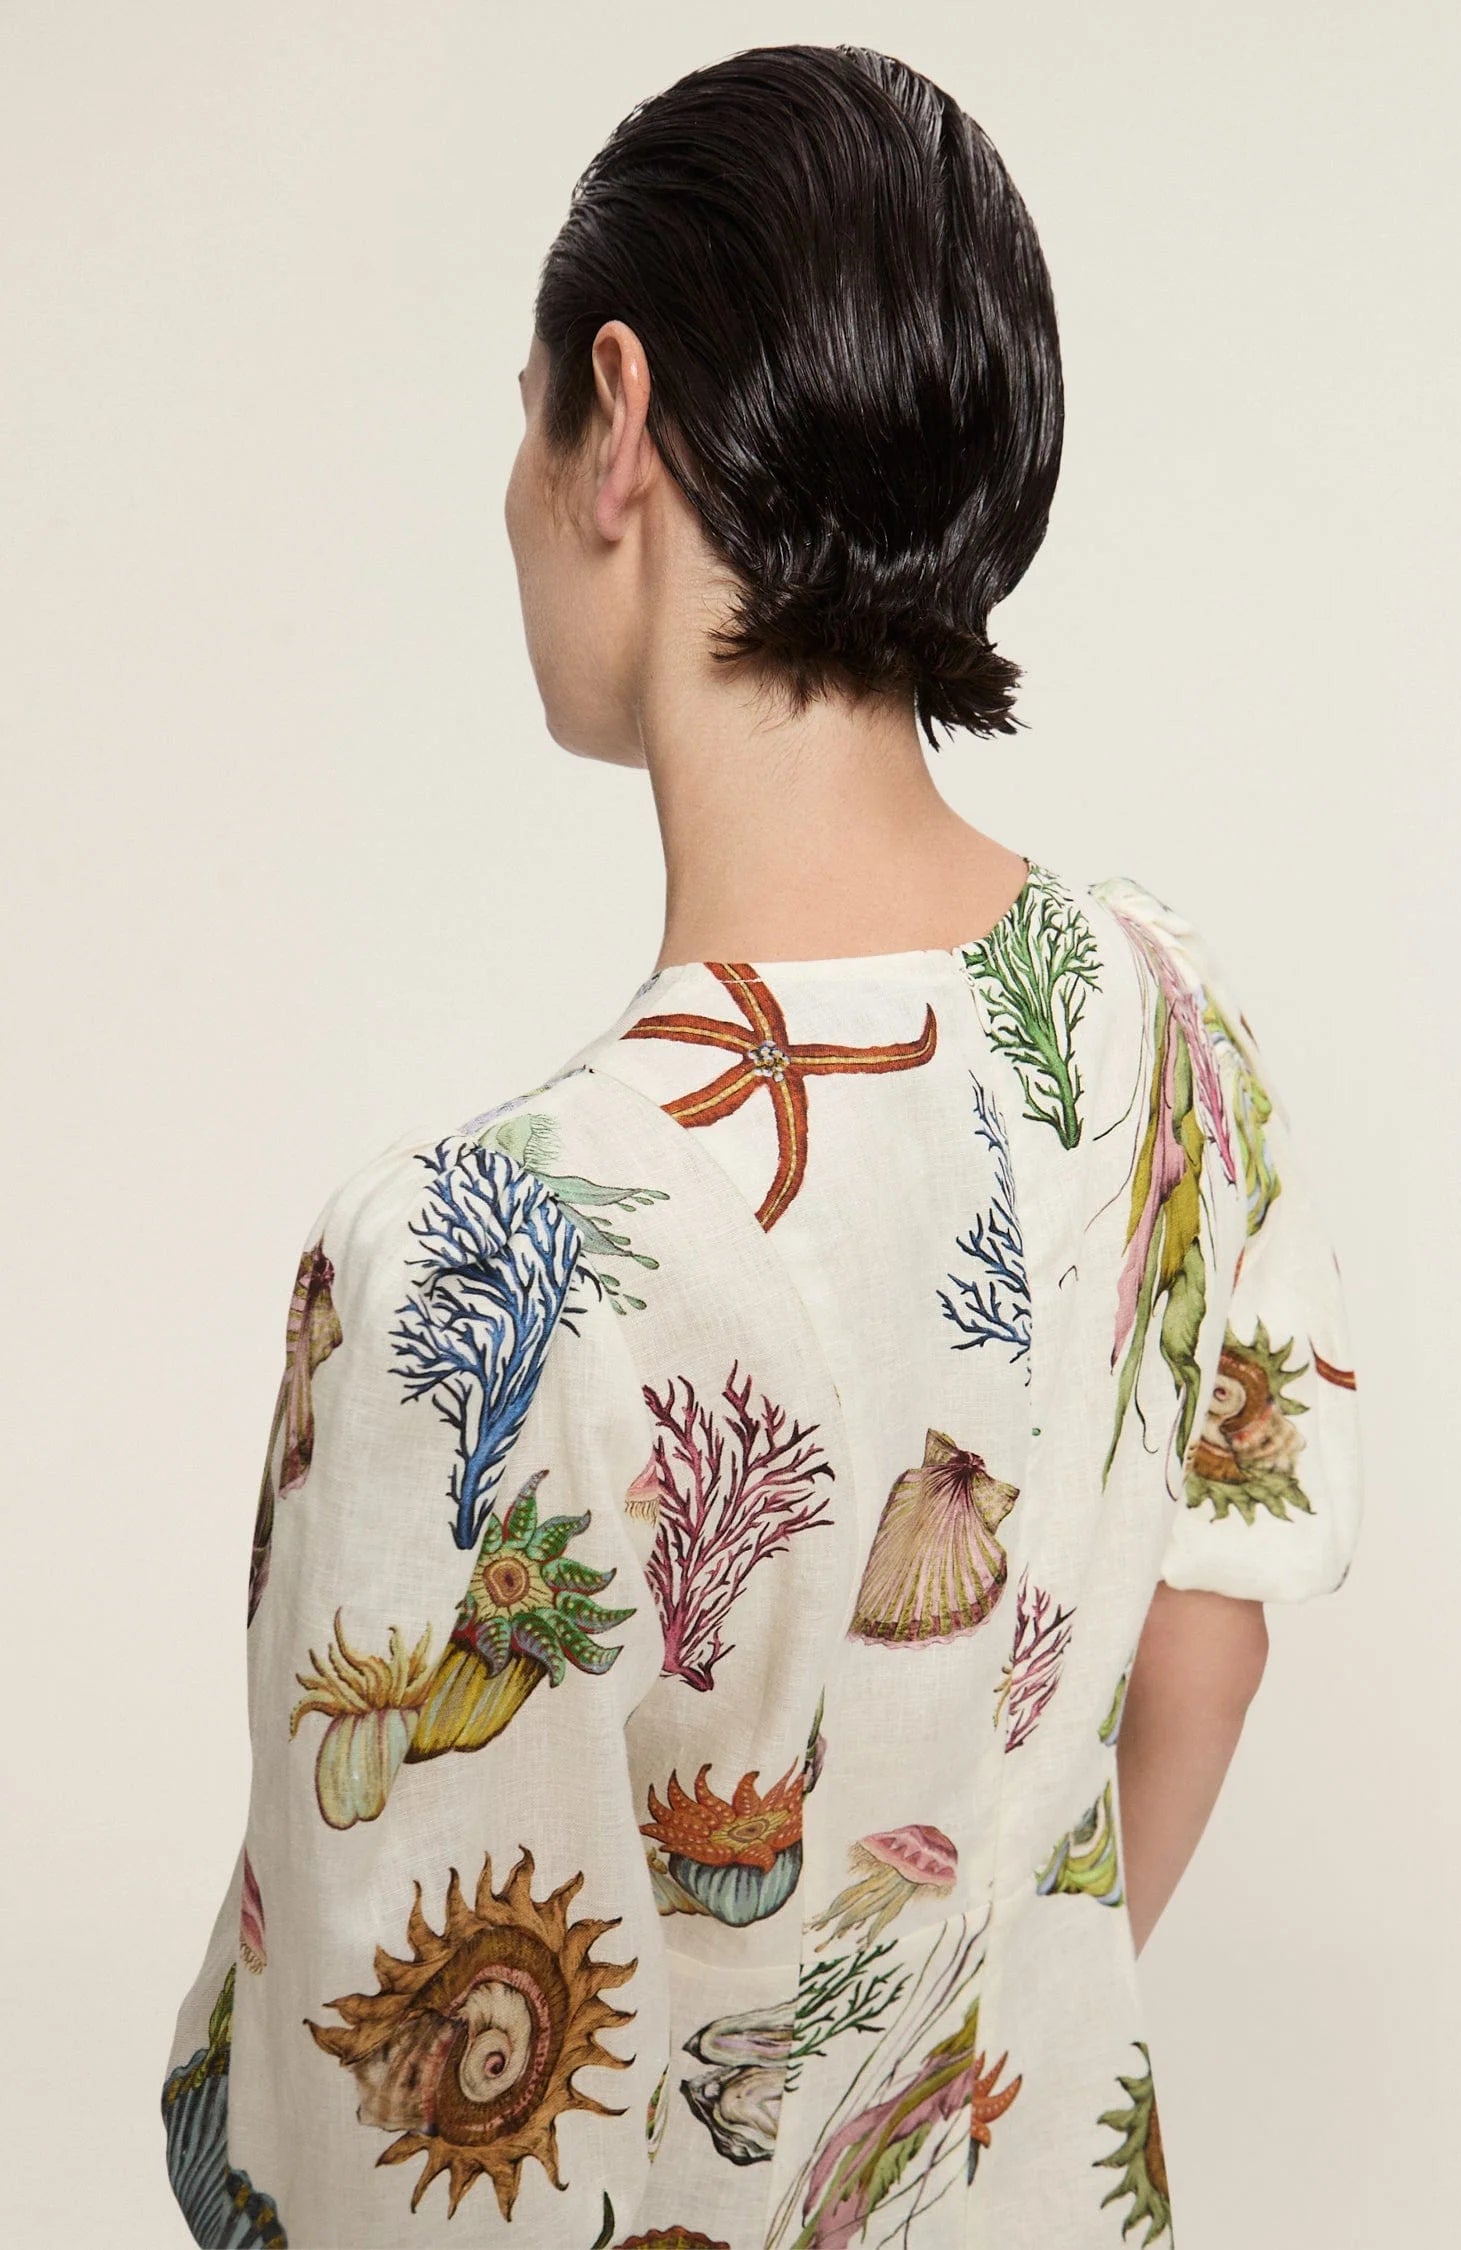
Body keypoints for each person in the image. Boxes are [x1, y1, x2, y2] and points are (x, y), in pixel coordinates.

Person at [161, 42, 1361, 2249]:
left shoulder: (482, 1266)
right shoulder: (1175, 1027)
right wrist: (929, 2082)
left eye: (526, 418)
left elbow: (404, 2170)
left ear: (616, 418)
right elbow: (1211, 1646)